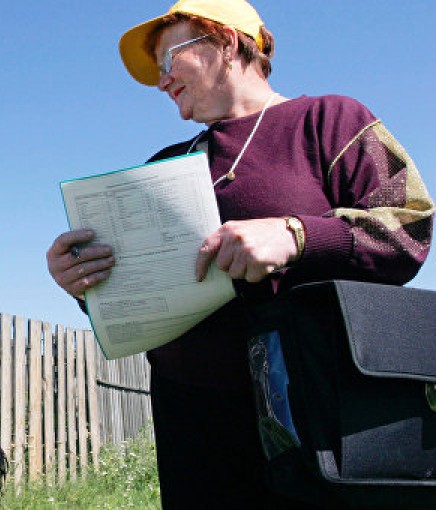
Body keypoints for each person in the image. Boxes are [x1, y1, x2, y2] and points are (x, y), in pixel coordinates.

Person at [46, 0, 433, 507]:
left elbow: (408, 222)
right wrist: (86, 281)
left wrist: (297, 235)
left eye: (169, 60)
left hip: (318, 409)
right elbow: (140, 293)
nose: (161, 82)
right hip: (195, 423)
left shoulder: (330, 119)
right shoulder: (166, 166)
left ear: (226, 42)